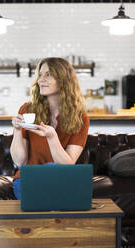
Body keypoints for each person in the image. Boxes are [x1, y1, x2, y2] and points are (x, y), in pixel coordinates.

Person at [10, 57, 90, 199]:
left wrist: (52, 137)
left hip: (59, 178)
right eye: (40, 75)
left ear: (64, 80)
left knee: (53, 174)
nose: (41, 79)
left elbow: (67, 165)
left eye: (48, 74)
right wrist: (17, 130)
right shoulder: (27, 109)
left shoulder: (81, 118)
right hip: (28, 178)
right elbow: (19, 161)